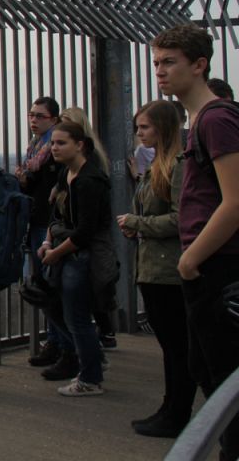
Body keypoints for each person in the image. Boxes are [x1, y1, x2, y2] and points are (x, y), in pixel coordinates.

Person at [152, 23, 239, 459]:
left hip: (215, 264)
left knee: (225, 382)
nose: (160, 72)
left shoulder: (216, 119)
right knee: (206, 368)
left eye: (169, 63)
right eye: (156, 63)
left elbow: (235, 201)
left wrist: (191, 260)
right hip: (209, 262)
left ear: (200, 65)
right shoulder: (201, 120)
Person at [117, 100, 196, 437]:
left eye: (145, 127)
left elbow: (183, 219)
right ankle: (170, 407)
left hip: (166, 271)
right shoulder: (158, 167)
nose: (139, 133)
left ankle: (176, 413)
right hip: (154, 268)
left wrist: (138, 222)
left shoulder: (177, 166)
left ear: (163, 128)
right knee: (172, 346)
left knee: (178, 346)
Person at [40, 120, 117, 397]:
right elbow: (58, 216)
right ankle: (91, 359)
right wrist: (48, 241)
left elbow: (85, 232)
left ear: (80, 145)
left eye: (61, 143)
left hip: (80, 257)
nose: (54, 148)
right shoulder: (68, 175)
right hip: (67, 252)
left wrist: (54, 253)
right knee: (56, 307)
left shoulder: (89, 181)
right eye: (52, 143)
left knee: (77, 317)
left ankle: (90, 377)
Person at [59, 107, 118, 351]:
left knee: (79, 307)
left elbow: (85, 226)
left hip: (83, 241)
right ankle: (100, 338)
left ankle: (91, 355)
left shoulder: (87, 175)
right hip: (83, 238)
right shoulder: (80, 168)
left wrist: (55, 250)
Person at [16, 97, 68, 370]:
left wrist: (26, 178)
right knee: (45, 286)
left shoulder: (54, 149)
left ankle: (62, 346)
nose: (34, 120)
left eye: (40, 116)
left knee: (50, 287)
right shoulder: (36, 148)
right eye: (31, 114)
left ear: (54, 120)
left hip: (48, 225)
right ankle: (56, 343)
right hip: (37, 220)